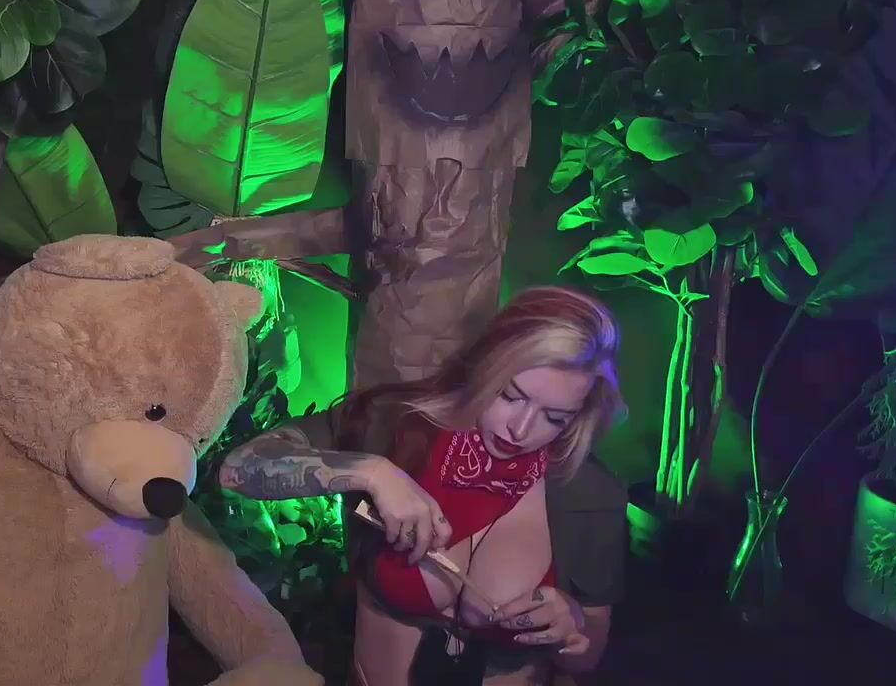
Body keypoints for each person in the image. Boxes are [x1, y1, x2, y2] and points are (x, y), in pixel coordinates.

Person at [218, 286, 629, 686]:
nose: (520, 430)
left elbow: (588, 654)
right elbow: (238, 468)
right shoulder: (393, 424)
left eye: (555, 417)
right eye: (510, 395)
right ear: (486, 364)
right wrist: (371, 471)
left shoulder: (588, 493)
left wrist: (572, 625)